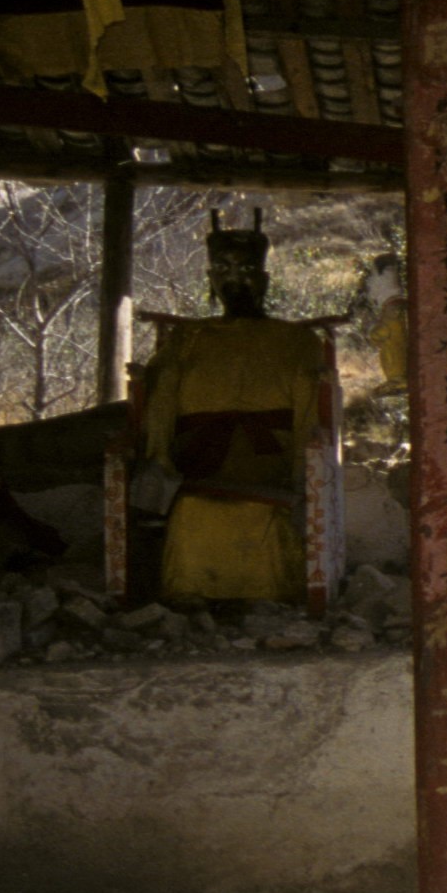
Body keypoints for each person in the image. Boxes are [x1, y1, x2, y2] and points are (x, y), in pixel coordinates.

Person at [133, 217, 339, 605]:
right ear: (210, 278)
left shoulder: (295, 340)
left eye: (246, 271)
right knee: (192, 508)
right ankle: (189, 594)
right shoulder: (188, 340)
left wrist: (302, 475)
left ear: (263, 280)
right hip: (202, 461)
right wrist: (160, 462)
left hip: (269, 464)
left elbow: (312, 412)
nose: (235, 280)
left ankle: (275, 594)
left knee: (263, 510)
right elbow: (160, 404)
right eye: (224, 270)